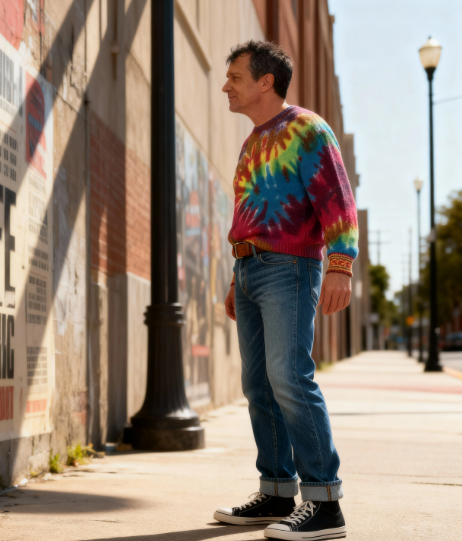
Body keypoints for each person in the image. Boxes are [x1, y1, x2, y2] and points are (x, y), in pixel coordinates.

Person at [212, 41, 356, 541]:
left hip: (291, 268)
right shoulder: (253, 141)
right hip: (250, 270)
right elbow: (248, 215)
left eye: (234, 76)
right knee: (258, 385)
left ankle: (324, 501)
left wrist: (340, 265)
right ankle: (275, 489)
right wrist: (236, 277)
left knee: (289, 377)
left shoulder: (307, 129)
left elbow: (337, 198)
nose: (226, 85)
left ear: (265, 81)